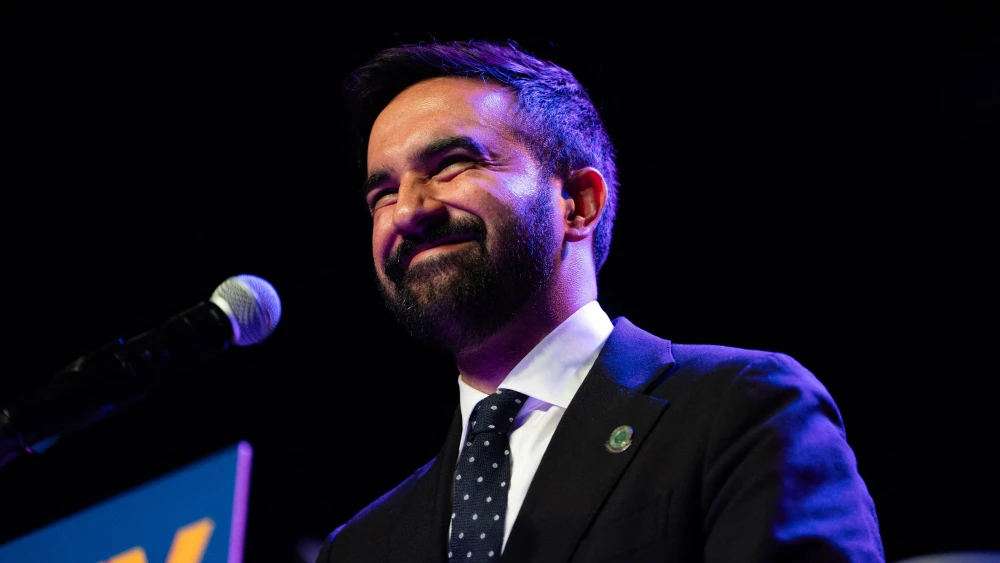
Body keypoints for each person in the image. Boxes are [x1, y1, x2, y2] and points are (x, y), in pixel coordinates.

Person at [317, 39, 884, 563]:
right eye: (382, 194)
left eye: (453, 166)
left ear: (578, 203)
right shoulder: (362, 546)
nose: (409, 211)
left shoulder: (741, 409)